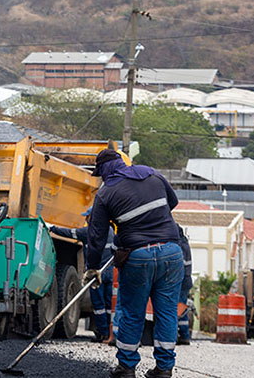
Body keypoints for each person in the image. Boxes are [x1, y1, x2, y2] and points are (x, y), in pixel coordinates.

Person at [85, 149, 183, 378]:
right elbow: (173, 201)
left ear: (104, 170)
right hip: (171, 252)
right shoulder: (152, 174)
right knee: (167, 313)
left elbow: (96, 237)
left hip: (139, 257)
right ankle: (164, 368)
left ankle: (126, 368)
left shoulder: (105, 193)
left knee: (132, 312)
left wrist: (92, 267)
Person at [50, 208, 116, 343]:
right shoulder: (110, 230)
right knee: (110, 304)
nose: (86, 219)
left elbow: (70, 233)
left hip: (97, 274)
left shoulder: (89, 232)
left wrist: (52, 228)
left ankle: (102, 333)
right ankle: (111, 334)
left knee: (98, 305)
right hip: (110, 271)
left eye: (88, 217)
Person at [176, 225, 193, 345]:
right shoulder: (185, 244)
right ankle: (184, 334)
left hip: (181, 280)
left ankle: (183, 335)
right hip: (186, 280)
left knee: (178, 307)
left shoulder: (180, 246)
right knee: (181, 306)